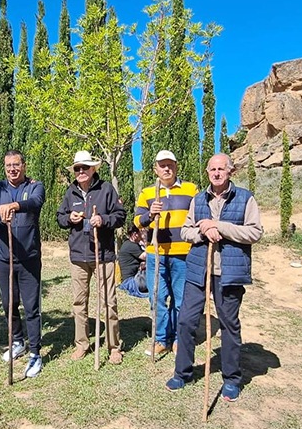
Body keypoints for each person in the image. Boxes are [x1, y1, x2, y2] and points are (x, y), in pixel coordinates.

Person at [166, 153, 263, 402]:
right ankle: (182, 372)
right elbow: (185, 231)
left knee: (229, 325)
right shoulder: (198, 199)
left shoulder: (245, 198)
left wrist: (219, 226)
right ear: (207, 172)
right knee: (187, 321)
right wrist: (202, 229)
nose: (217, 173)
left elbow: (254, 232)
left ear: (231, 172)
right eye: (212, 169)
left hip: (229, 273)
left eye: (221, 169)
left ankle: (231, 378)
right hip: (199, 270)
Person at [56, 151, 127, 364]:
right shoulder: (71, 192)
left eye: (84, 168)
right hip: (78, 256)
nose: (80, 172)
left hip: (103, 254)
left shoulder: (106, 189)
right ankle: (82, 344)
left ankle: (114, 347)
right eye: (77, 169)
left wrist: (102, 219)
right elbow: (59, 218)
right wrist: (69, 217)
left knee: (109, 302)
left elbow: (120, 216)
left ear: (93, 169)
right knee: (79, 302)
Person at [0, 150, 46, 378]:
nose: (12, 168)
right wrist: (0, 216)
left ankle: (35, 353)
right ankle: (17, 341)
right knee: (9, 304)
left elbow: (35, 202)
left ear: (24, 165)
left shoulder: (35, 186)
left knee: (31, 308)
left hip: (29, 258)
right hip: (5, 257)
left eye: (16, 164)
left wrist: (14, 206)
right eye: (8, 165)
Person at [133, 149, 199, 357]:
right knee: (157, 297)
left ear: (176, 167)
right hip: (156, 254)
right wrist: (150, 215)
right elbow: (137, 221)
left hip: (183, 253)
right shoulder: (147, 193)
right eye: (162, 165)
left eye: (170, 164)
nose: (167, 168)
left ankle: (179, 338)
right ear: (156, 169)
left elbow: (199, 216)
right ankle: (161, 339)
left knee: (180, 299)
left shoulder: (191, 190)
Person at [117, 224, 148, 298]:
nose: (142, 234)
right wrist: (146, 240)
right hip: (133, 281)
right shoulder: (131, 245)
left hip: (133, 279)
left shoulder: (129, 244)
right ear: (135, 234)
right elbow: (148, 257)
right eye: (141, 232)